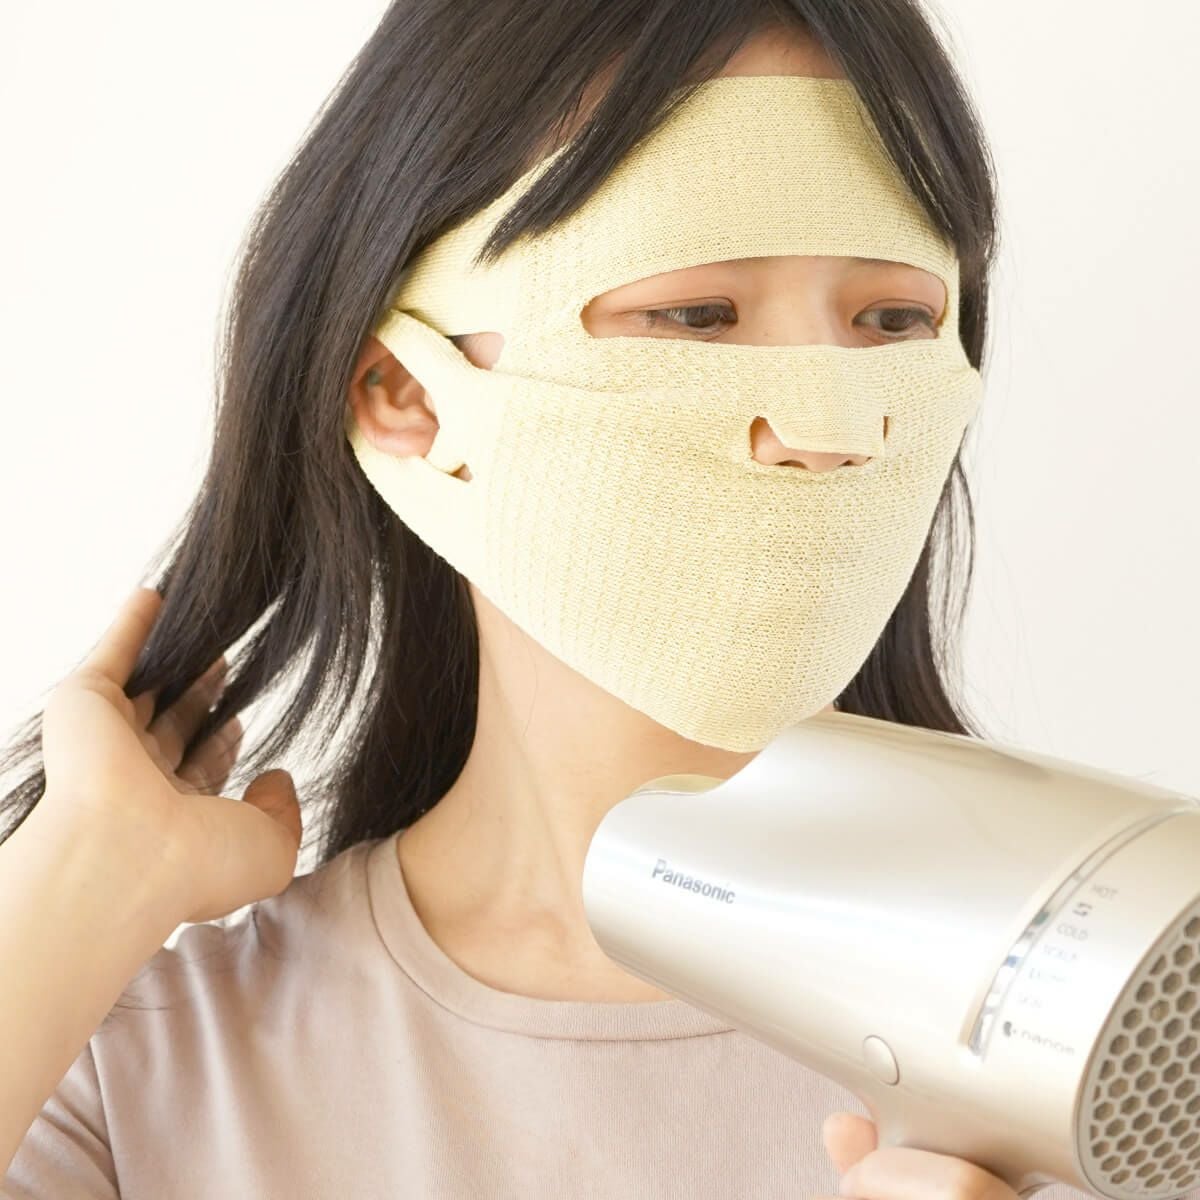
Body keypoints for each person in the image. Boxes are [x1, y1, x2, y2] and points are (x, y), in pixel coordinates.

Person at [0, 3, 1106, 1198]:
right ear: (404, 391)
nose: (827, 422)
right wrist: (75, 889)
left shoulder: (1126, 1029)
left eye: (894, 320)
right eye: (695, 314)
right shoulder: (139, 1068)